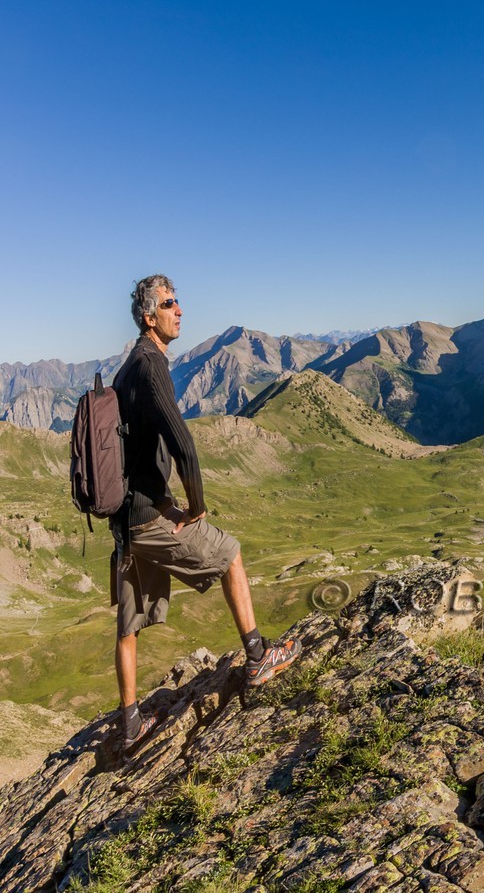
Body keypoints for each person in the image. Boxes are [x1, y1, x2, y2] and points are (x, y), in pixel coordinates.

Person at [112, 274, 300, 747]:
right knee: (231, 553)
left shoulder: (127, 366)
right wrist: (195, 506)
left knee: (129, 623)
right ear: (149, 316)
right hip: (149, 519)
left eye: (180, 302)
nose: (181, 311)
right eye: (171, 304)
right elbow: (184, 446)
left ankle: (131, 723)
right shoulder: (151, 366)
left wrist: (162, 499)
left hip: (126, 519)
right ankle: (258, 656)